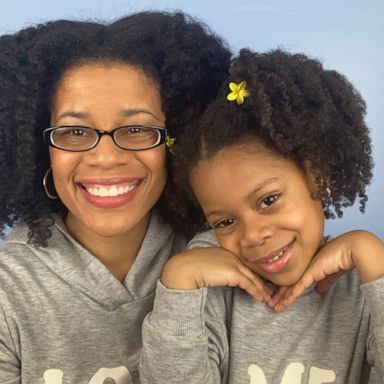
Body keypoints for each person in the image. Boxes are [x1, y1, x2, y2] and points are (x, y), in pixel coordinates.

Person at [0, 11, 231, 383]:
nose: (106, 158)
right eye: (74, 132)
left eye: (137, 129)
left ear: (178, 141)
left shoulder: (226, 253)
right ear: (40, 151)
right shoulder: (7, 290)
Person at [140, 49, 384, 383]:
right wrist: (179, 279)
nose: (253, 235)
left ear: (318, 175)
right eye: (224, 222)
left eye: (268, 200)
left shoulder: (366, 284)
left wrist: (374, 257)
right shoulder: (208, 283)